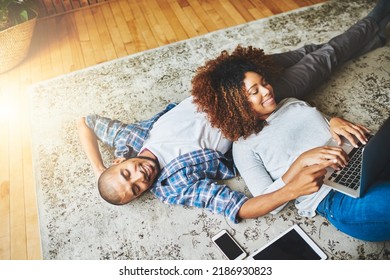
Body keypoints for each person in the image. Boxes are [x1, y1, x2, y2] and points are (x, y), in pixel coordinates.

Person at [78, 1, 388, 226]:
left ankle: (371, 39)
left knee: (307, 52)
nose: (139, 177)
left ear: (118, 161)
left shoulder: (128, 138)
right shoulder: (174, 187)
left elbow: (85, 122)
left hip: (231, 78)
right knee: (326, 58)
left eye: (125, 173)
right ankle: (377, 19)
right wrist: (291, 188)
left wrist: (98, 171)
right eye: (135, 189)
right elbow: (239, 207)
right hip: (255, 102)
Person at [191, 0, 390, 241]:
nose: (267, 90)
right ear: (236, 105)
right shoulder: (244, 147)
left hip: (362, 157)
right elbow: (269, 201)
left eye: (264, 82)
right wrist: (300, 163)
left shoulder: (289, 103)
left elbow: (315, 125)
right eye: (255, 92)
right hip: (332, 196)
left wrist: (333, 121)